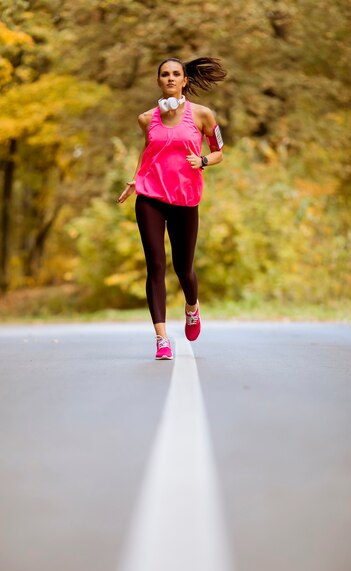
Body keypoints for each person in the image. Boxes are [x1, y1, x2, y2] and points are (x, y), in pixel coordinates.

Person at [117, 57, 226, 360]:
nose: (170, 78)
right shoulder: (146, 118)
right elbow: (149, 149)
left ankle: (192, 307)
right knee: (155, 265)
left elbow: (219, 152)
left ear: (184, 80)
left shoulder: (203, 115)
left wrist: (202, 161)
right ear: (158, 81)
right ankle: (161, 338)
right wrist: (136, 178)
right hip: (151, 198)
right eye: (165, 74)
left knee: (183, 267)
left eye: (176, 74)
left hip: (185, 199)